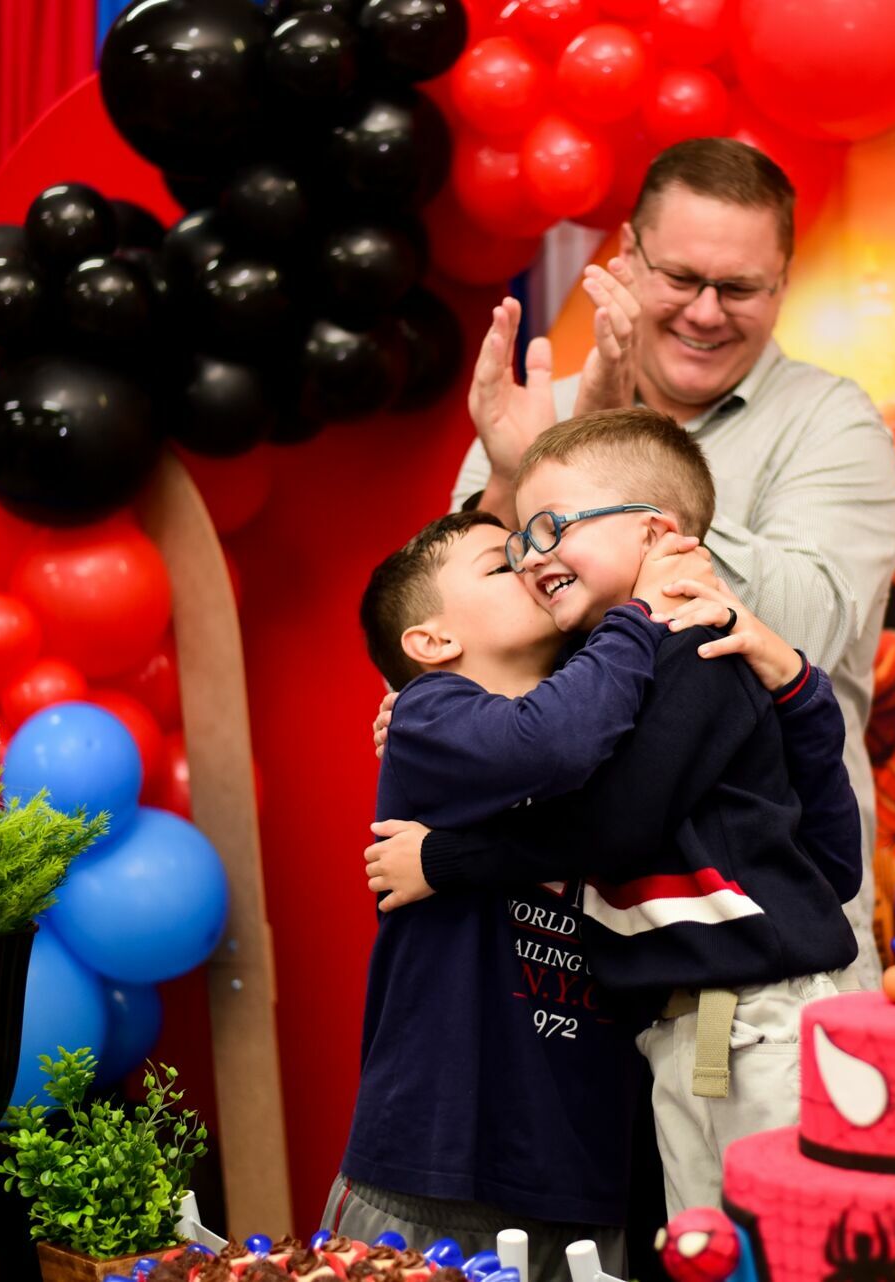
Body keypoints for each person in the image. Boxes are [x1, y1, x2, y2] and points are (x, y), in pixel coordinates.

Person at [369, 407, 864, 1215]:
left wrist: (447, 858)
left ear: (655, 533)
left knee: (784, 1250)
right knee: (713, 1257)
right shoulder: (606, 676)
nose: (533, 558)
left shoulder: (695, 648)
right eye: (518, 546)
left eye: (550, 528)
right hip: (684, 1033)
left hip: (755, 1027)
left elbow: (618, 827)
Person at [450, 138, 895, 986]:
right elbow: (446, 649)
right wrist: (516, 478)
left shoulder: (834, 422)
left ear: (783, 282)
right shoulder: (536, 415)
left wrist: (617, 471)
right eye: (681, 278)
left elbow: (804, 631)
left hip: (768, 944)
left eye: (738, 288)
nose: (704, 312)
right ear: (628, 254)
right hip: (556, 934)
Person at [329, 509, 706, 1274]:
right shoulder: (428, 713)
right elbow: (551, 741)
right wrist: (638, 612)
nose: (532, 564)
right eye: (503, 566)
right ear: (433, 643)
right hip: (438, 1159)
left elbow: (623, 823)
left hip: (585, 1175)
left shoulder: (613, 717)